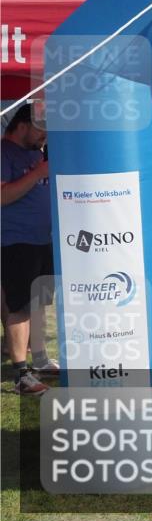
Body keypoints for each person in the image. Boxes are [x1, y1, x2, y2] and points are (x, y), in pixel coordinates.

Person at [1, 105, 58, 395]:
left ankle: (40, 358)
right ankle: (21, 374)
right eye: (41, 129)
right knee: (20, 306)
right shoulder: (4, 153)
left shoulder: (37, 153)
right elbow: (3, 195)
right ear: (23, 125)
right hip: (15, 241)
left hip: (42, 239)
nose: (45, 136)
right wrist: (37, 173)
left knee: (39, 304)